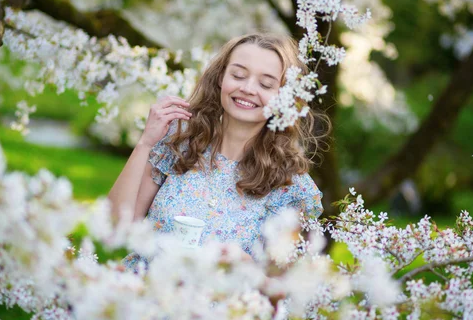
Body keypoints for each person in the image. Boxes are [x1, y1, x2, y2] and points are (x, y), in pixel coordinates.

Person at [108, 33, 329, 268]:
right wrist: (145, 143)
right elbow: (114, 228)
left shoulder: (290, 187)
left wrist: (247, 269)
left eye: (265, 84)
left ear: (285, 97)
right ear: (221, 78)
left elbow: (280, 288)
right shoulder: (178, 142)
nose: (248, 88)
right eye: (238, 75)